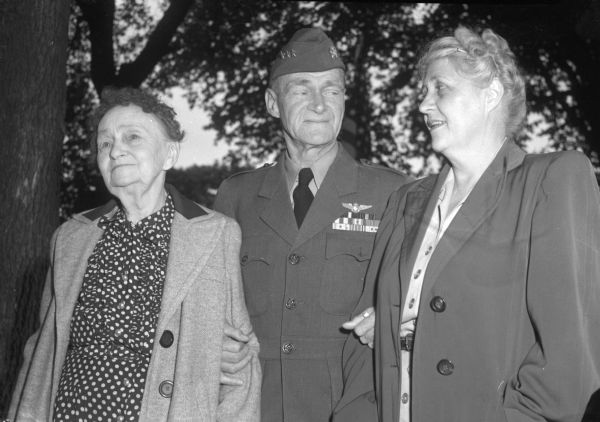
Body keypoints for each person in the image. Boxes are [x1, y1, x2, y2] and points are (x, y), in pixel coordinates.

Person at [336, 25, 600, 422]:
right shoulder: (406, 200)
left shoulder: (552, 180)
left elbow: (567, 363)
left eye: (440, 88)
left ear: (491, 93)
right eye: (423, 92)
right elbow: (364, 347)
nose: (423, 105)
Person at [8, 87, 261, 421]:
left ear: (169, 154)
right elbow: (42, 347)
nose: (116, 151)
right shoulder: (70, 238)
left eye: (133, 137)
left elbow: (241, 359)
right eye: (105, 143)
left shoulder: (216, 234)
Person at [213, 27, 411, 421]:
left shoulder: (393, 193)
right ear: (273, 103)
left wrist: (396, 319)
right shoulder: (236, 197)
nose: (320, 104)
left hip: (351, 406)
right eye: (302, 90)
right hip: (254, 407)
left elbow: (424, 302)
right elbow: (211, 309)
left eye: (332, 90)